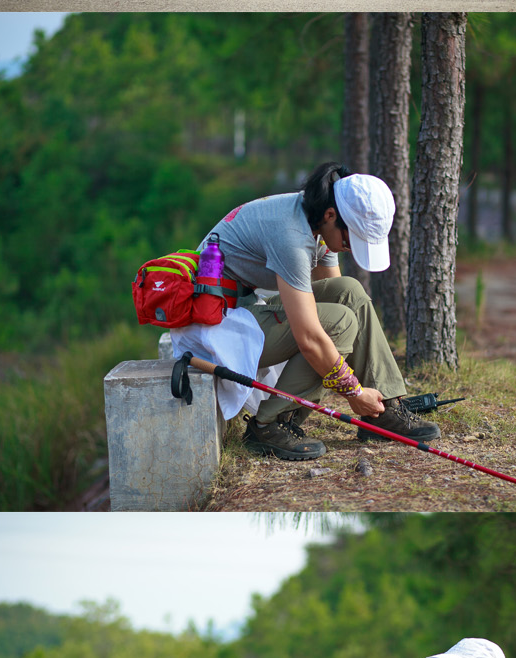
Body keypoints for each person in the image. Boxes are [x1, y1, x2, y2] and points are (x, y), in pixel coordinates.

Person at [180, 164, 439, 462]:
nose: (350, 249)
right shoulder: (291, 235)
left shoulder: (318, 218)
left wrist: (358, 388)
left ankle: (383, 410)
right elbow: (311, 337)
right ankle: (269, 425)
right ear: (331, 216)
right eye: (351, 240)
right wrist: (353, 393)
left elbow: (337, 295)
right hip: (215, 328)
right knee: (338, 324)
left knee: (350, 292)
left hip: (243, 309)